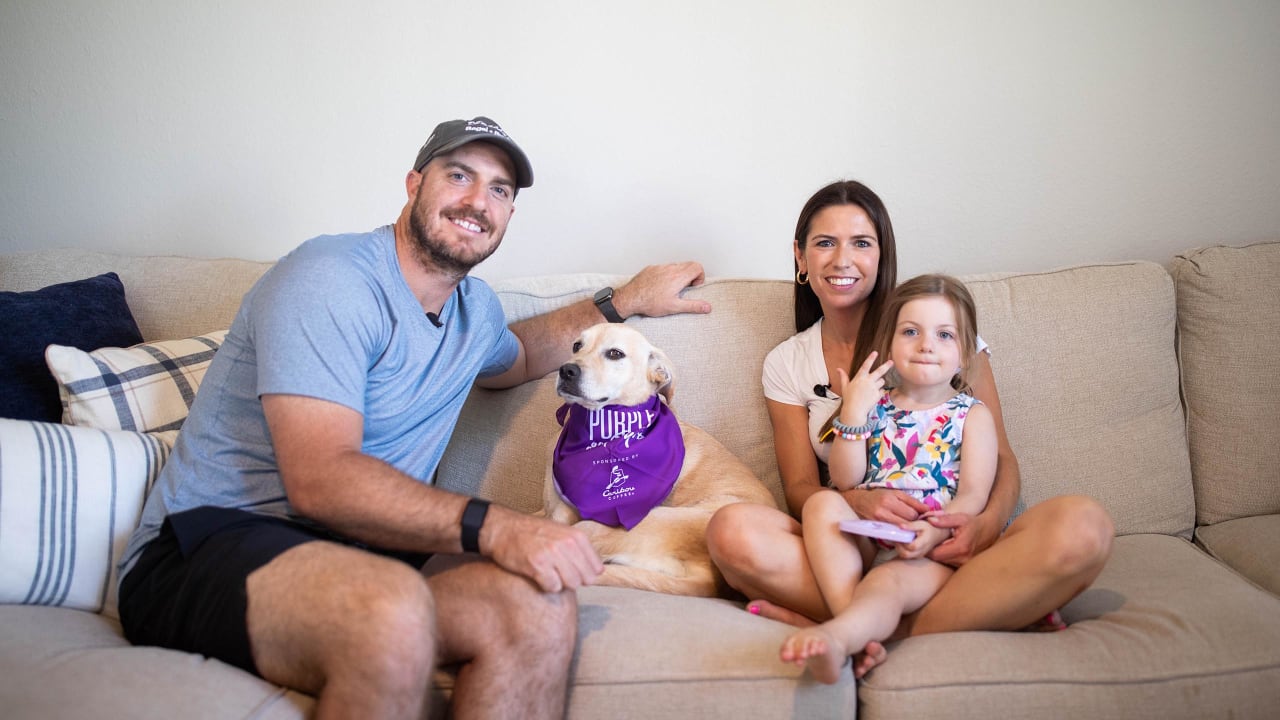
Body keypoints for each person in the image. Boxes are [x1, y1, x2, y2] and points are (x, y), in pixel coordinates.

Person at [115, 116, 711, 719]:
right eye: (459, 176)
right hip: (210, 546)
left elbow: (526, 352)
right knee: (390, 606)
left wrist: (626, 301)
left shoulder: (474, 312)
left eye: (500, 190)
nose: (479, 201)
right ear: (413, 184)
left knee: (539, 606)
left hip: (370, 559)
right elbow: (321, 479)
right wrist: (499, 525)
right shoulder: (331, 278)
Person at [705, 179, 1114, 678]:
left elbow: (1001, 460)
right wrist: (856, 499)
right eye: (824, 243)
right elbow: (800, 490)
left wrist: (980, 528)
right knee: (731, 532)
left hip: (943, 543)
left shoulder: (937, 332)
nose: (842, 260)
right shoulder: (787, 363)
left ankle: (853, 627)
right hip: (853, 544)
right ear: (800, 256)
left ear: (883, 254)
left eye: (861, 242)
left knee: (1083, 527)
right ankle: (935, 618)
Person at [779, 273, 998, 683]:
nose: (926, 344)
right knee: (821, 502)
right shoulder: (876, 405)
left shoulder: (972, 415)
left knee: (886, 581)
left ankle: (839, 637)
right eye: (911, 331)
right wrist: (853, 413)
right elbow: (845, 481)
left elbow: (973, 495)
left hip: (926, 548)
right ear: (890, 341)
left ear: (966, 351)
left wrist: (933, 533)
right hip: (864, 537)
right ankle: (859, 627)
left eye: (945, 335)